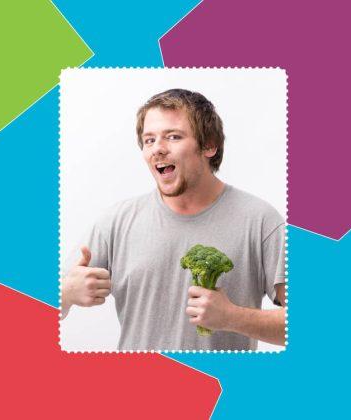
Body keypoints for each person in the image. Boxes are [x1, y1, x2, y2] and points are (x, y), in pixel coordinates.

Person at [61, 89, 286, 351]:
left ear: (209, 145)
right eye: (149, 140)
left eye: (173, 136)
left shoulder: (261, 222)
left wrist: (232, 317)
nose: (158, 149)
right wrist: (66, 292)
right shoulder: (116, 222)